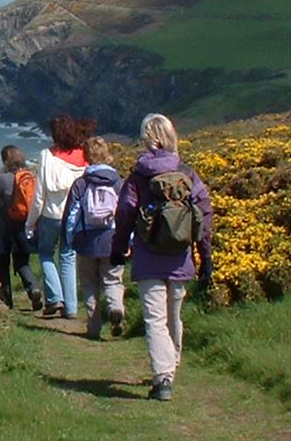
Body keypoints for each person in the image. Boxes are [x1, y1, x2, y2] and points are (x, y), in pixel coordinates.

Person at [111, 114, 213, 401]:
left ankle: (163, 377)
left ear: (147, 138)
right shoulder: (187, 173)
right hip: (180, 257)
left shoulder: (138, 176)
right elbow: (204, 215)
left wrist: (118, 249)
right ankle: (171, 368)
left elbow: (125, 214)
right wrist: (206, 257)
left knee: (155, 319)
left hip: (148, 257)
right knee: (173, 317)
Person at [25, 115, 95, 319]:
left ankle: (55, 298)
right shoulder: (84, 157)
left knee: (46, 253)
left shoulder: (46, 156)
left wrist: (30, 223)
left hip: (50, 215)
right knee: (68, 257)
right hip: (74, 217)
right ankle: (71, 307)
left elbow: (39, 196)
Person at [62, 137, 124, 339]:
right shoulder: (117, 182)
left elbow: (71, 215)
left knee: (89, 284)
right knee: (113, 280)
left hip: (86, 240)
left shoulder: (81, 183)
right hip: (112, 239)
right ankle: (116, 308)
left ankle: (93, 327)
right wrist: (128, 239)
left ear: (87, 157)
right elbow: (126, 213)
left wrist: (69, 239)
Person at [0, 145, 43, 310]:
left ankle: (6, 301)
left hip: (5, 226)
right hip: (24, 225)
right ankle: (33, 288)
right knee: (22, 262)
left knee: (2, 262)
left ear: (5, 161)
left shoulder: (4, 179)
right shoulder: (31, 177)